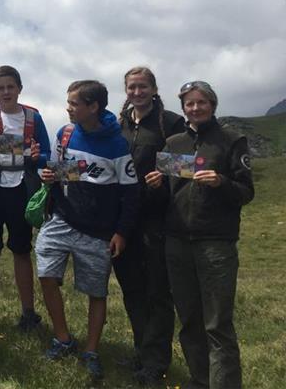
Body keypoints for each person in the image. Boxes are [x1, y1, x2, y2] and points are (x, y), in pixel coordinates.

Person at [146, 81, 253, 389]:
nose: (195, 108)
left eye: (201, 102)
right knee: (190, 320)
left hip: (215, 242)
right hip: (177, 241)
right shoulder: (173, 143)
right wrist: (155, 186)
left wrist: (221, 182)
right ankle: (199, 381)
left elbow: (246, 192)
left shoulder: (232, 140)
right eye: (189, 104)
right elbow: (166, 197)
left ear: (212, 105)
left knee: (217, 324)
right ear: (183, 108)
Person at [37, 80, 139, 381]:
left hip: (98, 230)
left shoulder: (117, 145)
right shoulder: (65, 133)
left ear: (93, 107)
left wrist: (121, 232)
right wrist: (49, 175)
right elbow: (57, 169)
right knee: (46, 275)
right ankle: (63, 338)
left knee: (96, 292)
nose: (68, 108)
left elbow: (131, 192)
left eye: (74, 103)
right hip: (61, 218)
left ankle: (91, 351)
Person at [115, 67, 185, 384]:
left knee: (157, 290)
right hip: (123, 218)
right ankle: (142, 351)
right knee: (132, 288)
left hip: (157, 217)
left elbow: (184, 166)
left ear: (154, 89)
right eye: (132, 87)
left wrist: (164, 179)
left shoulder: (170, 123)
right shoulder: (118, 125)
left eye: (143, 86)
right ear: (126, 90)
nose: (137, 92)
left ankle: (156, 362)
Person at [0, 65, 49, 331]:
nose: (6, 92)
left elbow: (46, 155)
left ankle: (28, 313)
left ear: (19, 89)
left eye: (10, 87)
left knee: (22, 250)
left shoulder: (33, 119)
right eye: (0, 88)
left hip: (22, 190)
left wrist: (38, 157)